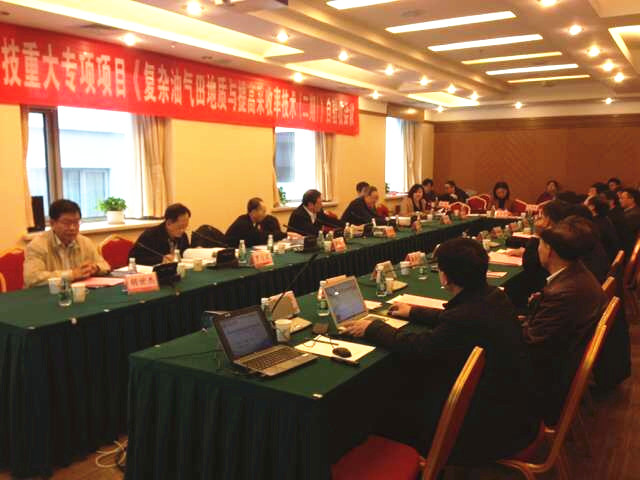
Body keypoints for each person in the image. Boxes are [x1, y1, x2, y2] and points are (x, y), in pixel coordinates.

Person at [342, 238, 539, 464]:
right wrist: (413, 312)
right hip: (514, 409)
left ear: (444, 277)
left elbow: (419, 347)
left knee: (386, 403)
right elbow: (454, 316)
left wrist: (373, 328)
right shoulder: (494, 295)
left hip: (484, 427)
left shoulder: (463, 318)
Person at [522, 216, 605, 425]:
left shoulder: (563, 292)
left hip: (547, 380)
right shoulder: (576, 273)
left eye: (540, 243)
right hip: (559, 358)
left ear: (549, 250)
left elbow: (531, 343)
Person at [24, 199, 111, 287]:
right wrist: (71, 274)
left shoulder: (85, 242)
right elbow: (32, 278)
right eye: (67, 223)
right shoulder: (37, 246)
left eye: (76, 222)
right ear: (52, 223)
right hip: (48, 293)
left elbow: (105, 266)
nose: (72, 228)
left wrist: (95, 268)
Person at [586, 196, 621, 262]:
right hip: (611, 255)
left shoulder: (595, 223)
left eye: (587, 204)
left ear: (592, 207)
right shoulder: (605, 218)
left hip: (604, 259)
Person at [603, 190, 631, 255]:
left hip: (619, 248)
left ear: (611, 201)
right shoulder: (608, 213)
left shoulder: (617, 214)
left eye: (603, 199)